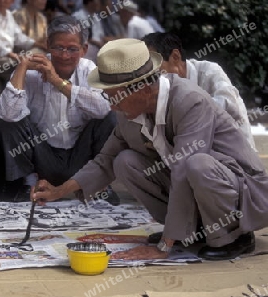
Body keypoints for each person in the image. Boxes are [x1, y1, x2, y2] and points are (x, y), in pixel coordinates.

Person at [33, 38, 268, 261]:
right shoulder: (130, 112)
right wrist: (58, 191)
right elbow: (106, 160)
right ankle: (189, 231)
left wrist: (163, 247)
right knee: (125, 161)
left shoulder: (190, 101)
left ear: (144, 90)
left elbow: (183, 172)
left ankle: (234, 236)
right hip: (198, 185)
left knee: (195, 164)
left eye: (114, 96)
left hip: (246, 193)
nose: (111, 105)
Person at [0, 15, 118, 203]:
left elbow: (102, 109)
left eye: (72, 49)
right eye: (58, 47)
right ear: (47, 45)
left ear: (84, 49)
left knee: (109, 117)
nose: (64, 55)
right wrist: (22, 67)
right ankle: (27, 183)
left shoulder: (90, 70)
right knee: (7, 117)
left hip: (80, 157)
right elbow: (6, 114)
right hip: (42, 157)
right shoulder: (31, 71)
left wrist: (57, 81)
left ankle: (99, 184)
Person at [142, 32, 256, 150]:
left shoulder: (209, 72)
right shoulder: (156, 88)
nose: (150, 79)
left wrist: (185, 110)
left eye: (154, 69)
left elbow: (228, 105)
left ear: (175, 57)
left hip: (231, 153)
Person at [0, 0, 47, 84]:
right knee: (25, 65)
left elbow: (19, 37)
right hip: (0, 59)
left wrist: (38, 44)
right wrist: (10, 54)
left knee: (38, 52)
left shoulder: (8, 15)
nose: (3, 1)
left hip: (14, 57)